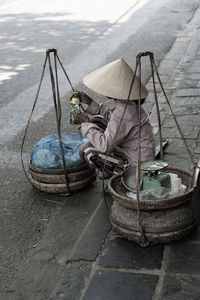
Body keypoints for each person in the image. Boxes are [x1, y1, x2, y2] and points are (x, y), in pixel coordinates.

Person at [74, 58, 155, 175]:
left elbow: (104, 146)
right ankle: (113, 167)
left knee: (87, 150)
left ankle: (122, 175)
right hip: (135, 154)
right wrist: (89, 102)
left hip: (137, 166)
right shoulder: (128, 104)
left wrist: (85, 123)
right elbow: (109, 115)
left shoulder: (124, 111)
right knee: (98, 121)